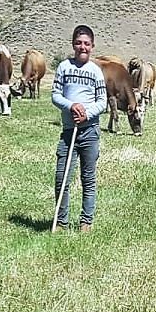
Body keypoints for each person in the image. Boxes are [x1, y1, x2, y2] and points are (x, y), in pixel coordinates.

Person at [51, 25, 107, 232]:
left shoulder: (96, 72)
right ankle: (61, 221)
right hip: (68, 132)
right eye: (78, 43)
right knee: (61, 177)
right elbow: (55, 95)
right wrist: (71, 106)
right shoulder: (64, 67)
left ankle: (86, 222)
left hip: (90, 132)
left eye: (86, 43)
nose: (82, 47)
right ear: (73, 44)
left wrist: (87, 113)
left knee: (88, 178)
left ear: (92, 46)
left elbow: (102, 102)